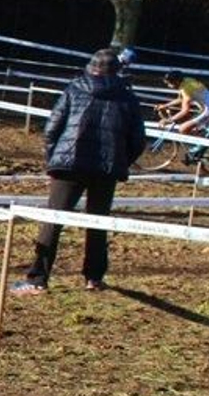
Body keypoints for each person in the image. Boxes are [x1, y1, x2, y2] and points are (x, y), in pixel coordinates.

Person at [11, 47, 147, 294]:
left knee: (52, 221)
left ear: (91, 67)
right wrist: (120, 161)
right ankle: (94, 277)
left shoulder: (73, 89)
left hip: (69, 165)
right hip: (106, 169)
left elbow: (52, 128)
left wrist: (53, 160)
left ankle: (37, 279)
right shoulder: (128, 97)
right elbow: (138, 139)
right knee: (98, 222)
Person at [156, 69, 209, 163]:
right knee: (190, 128)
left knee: (183, 129)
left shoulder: (186, 89)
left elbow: (184, 111)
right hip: (206, 109)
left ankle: (202, 145)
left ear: (177, 81)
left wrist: (168, 120)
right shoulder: (186, 81)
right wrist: (165, 105)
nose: (169, 86)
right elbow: (180, 99)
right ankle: (200, 145)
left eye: (170, 84)